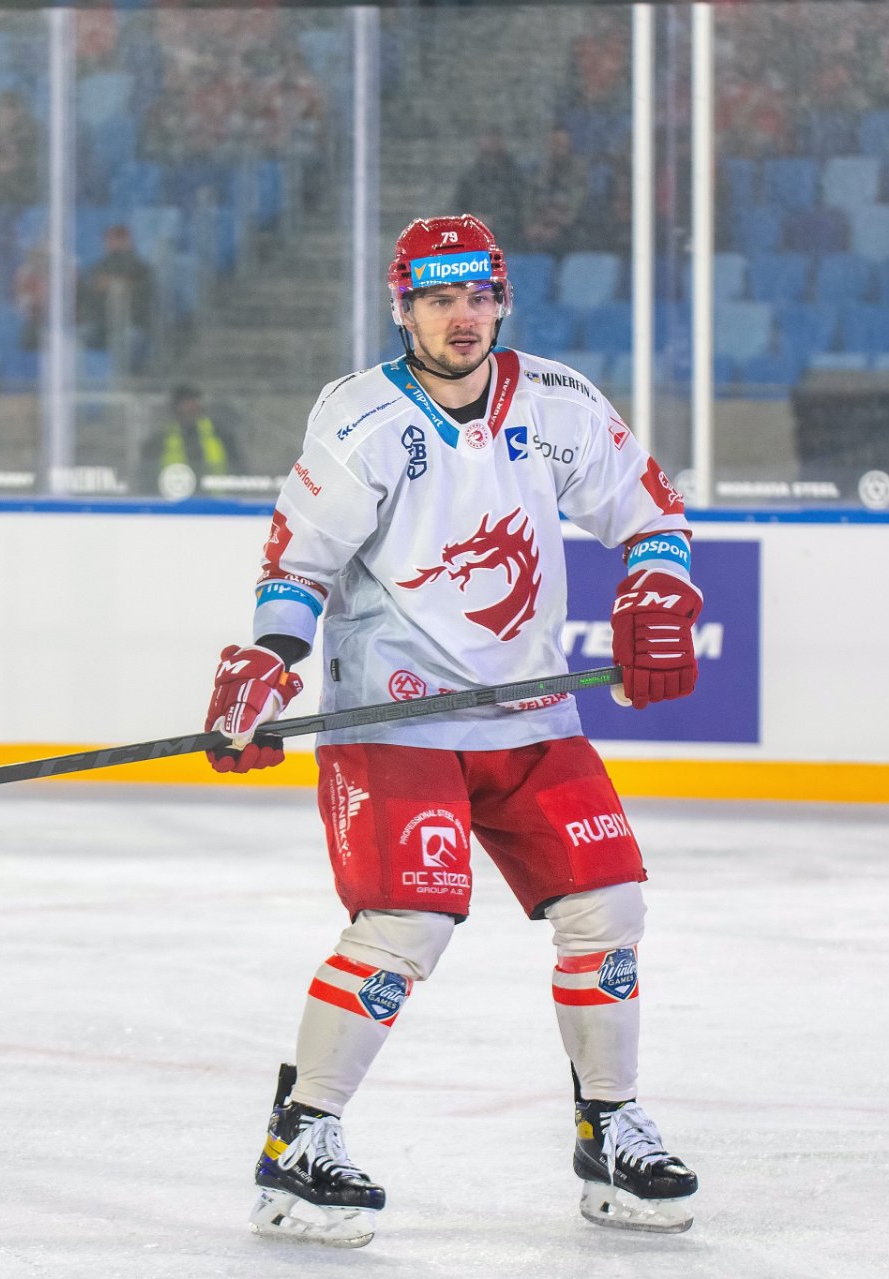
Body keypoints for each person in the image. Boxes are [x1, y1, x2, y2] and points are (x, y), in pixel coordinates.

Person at [207, 214, 701, 1247]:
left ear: (501, 299)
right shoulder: (362, 420)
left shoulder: (558, 403)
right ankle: (300, 1138)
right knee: (407, 923)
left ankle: (609, 1129)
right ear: (404, 310)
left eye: (477, 296)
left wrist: (660, 585)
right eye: (438, 299)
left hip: (530, 714)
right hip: (397, 718)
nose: (462, 317)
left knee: (609, 905)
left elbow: (651, 513)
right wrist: (269, 660)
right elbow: (298, 563)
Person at [139, 385, 245, 494]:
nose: (190, 407)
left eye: (194, 402)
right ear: (175, 408)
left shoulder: (221, 435)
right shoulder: (158, 441)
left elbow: (240, 476)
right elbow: (146, 483)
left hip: (217, 503)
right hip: (173, 503)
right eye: (185, 403)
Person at [76, 224, 154, 359]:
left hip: (132, 325)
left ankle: (123, 372)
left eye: (118, 239)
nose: (112, 244)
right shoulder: (97, 268)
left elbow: (145, 296)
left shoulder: (141, 268)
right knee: (80, 336)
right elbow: (87, 293)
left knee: (128, 340)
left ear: (128, 241)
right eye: (109, 240)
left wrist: (119, 285)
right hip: (101, 325)